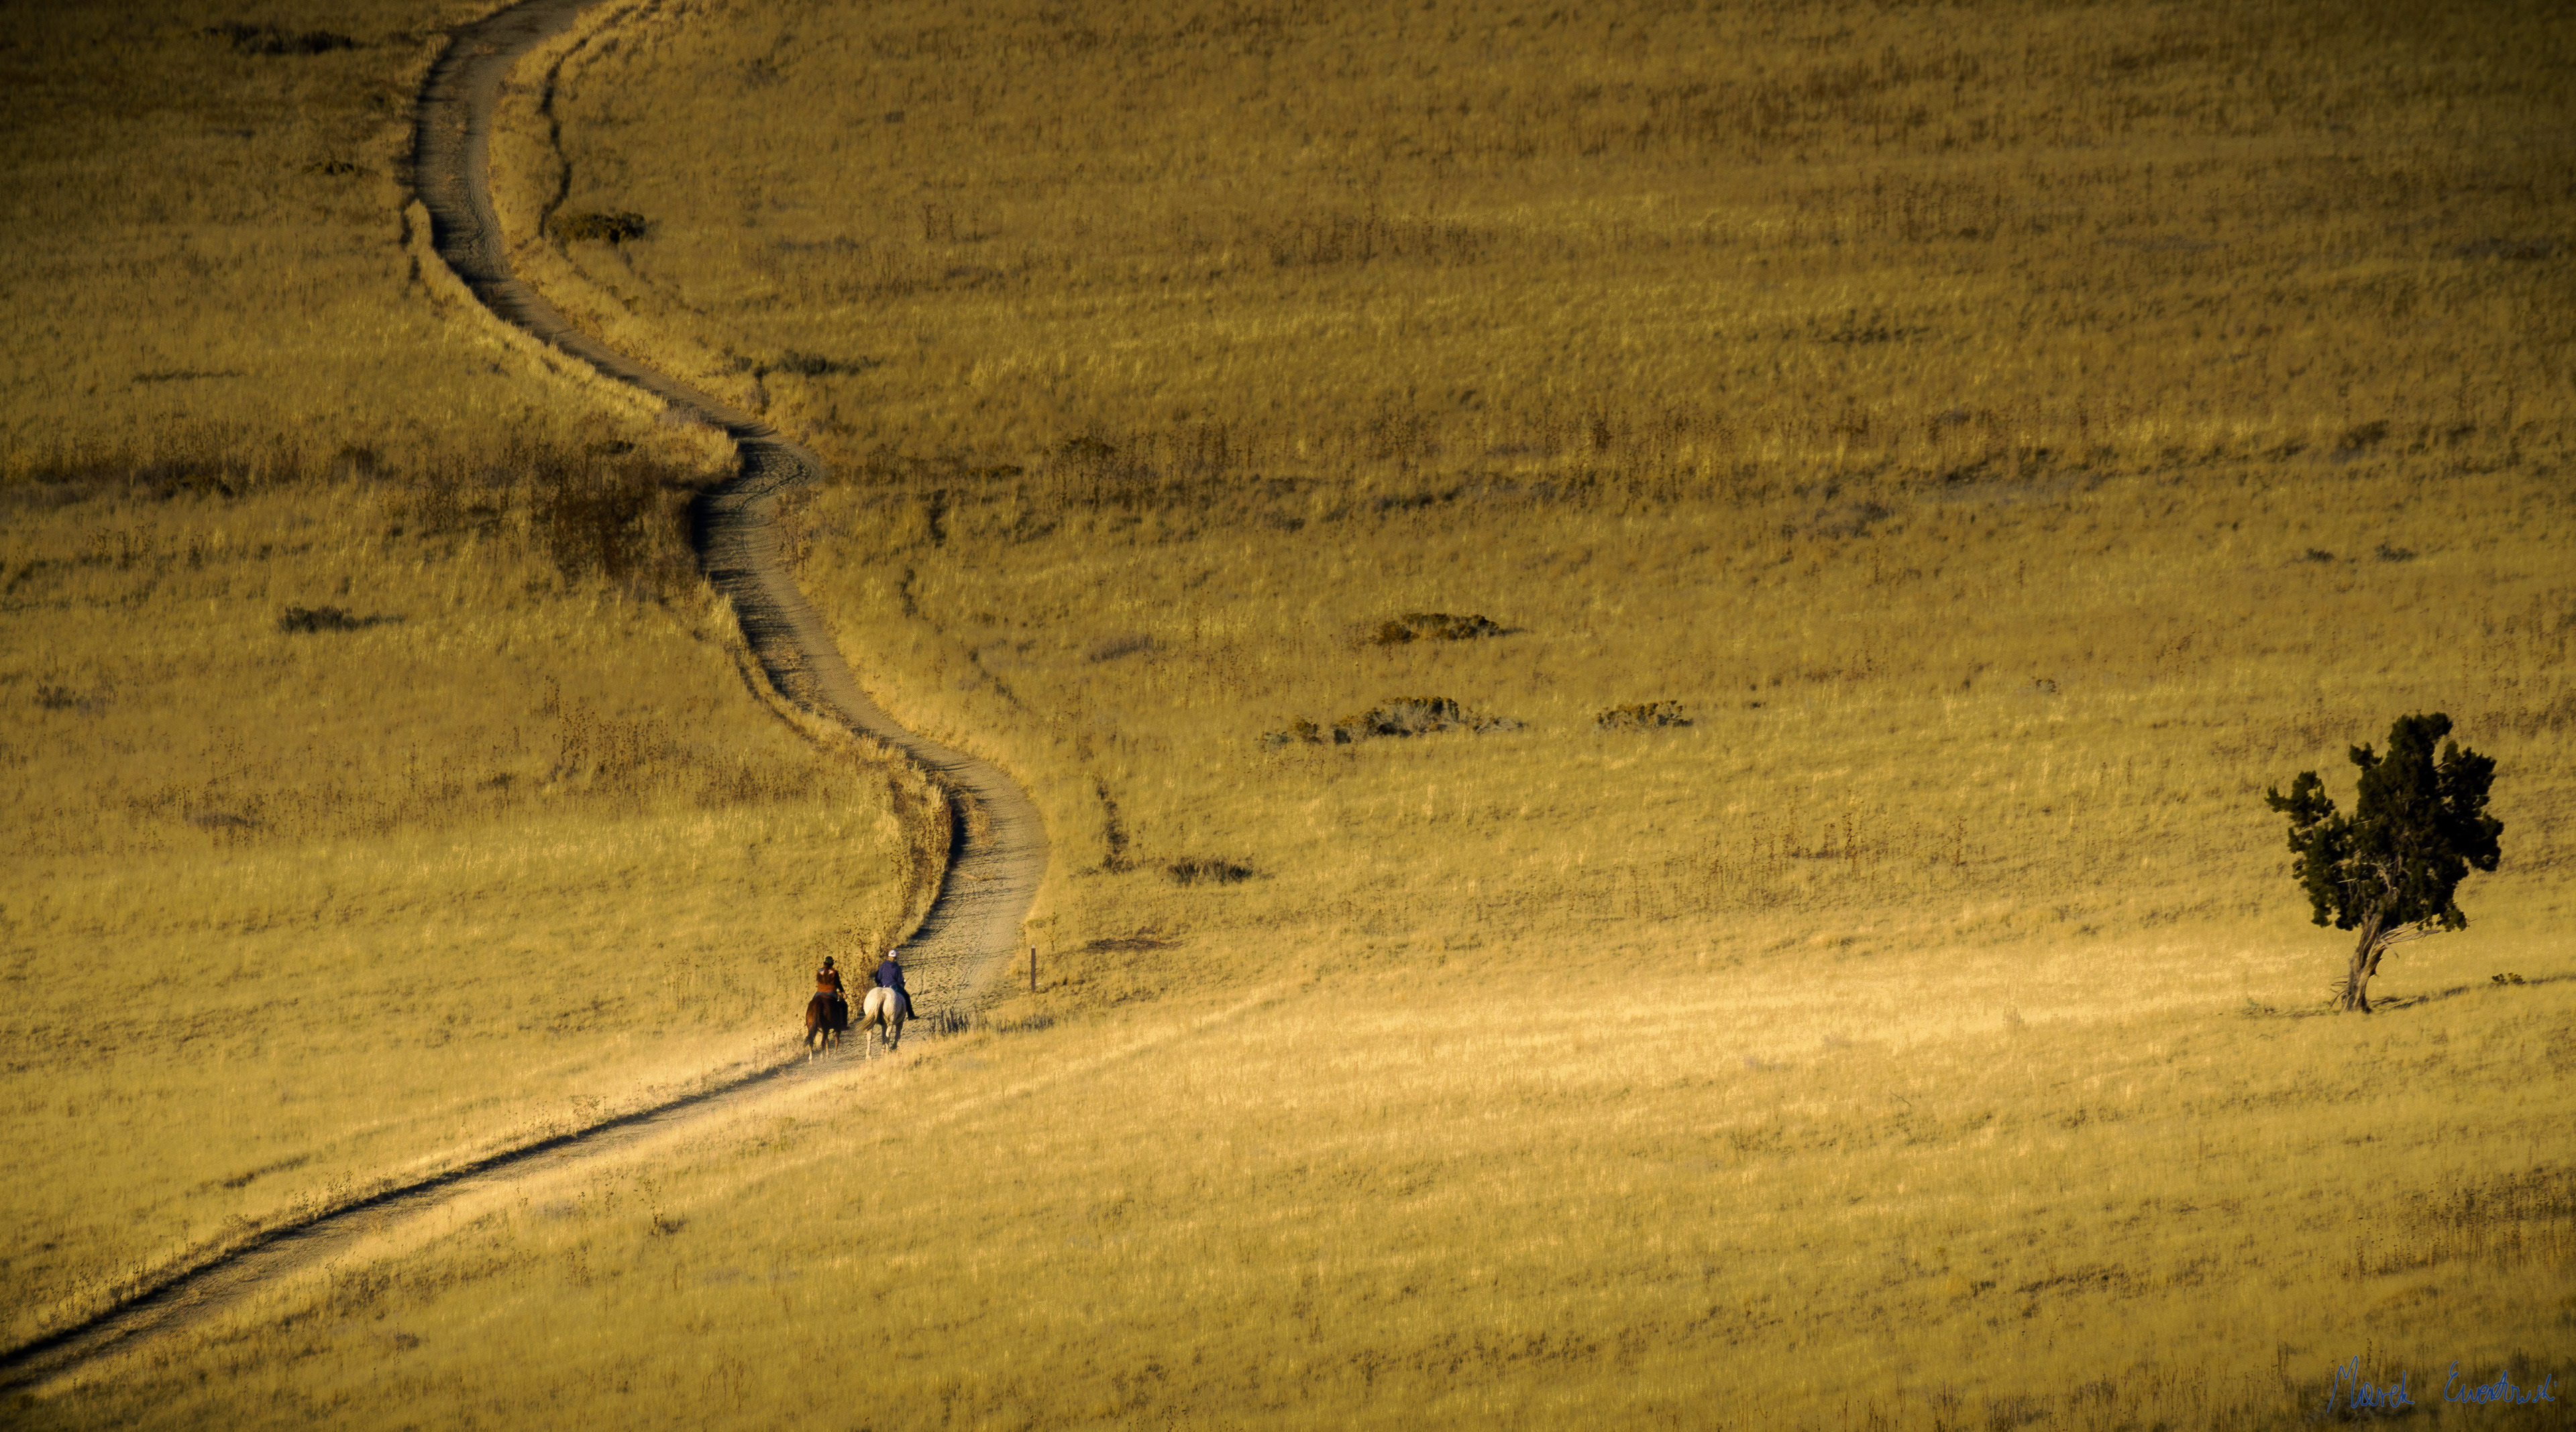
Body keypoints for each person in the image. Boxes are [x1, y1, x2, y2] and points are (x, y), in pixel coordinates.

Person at [873, 948, 914, 1019]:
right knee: (906, 996)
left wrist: (878, 982)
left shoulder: (883, 966)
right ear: (896, 958)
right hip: (894, 987)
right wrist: (902, 982)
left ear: (888, 957)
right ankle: (911, 1015)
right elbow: (900, 980)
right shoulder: (897, 967)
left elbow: (878, 978)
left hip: (883, 986)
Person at [815, 956, 847, 1028]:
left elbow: (818, 980)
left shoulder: (819, 971)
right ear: (832, 964)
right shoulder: (834, 972)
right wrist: (843, 992)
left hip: (819, 992)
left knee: (812, 1003)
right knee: (843, 1005)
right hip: (831, 992)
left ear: (824, 963)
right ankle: (844, 1024)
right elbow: (838, 983)